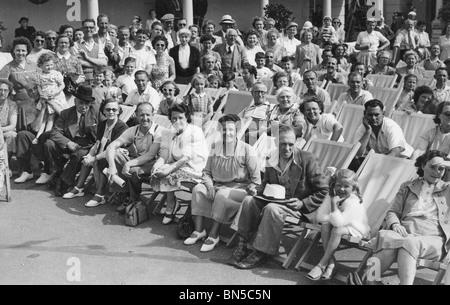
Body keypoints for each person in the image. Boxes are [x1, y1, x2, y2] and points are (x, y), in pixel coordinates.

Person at [227, 125, 329, 269]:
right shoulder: (272, 158)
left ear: (296, 143)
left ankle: (262, 252)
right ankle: (242, 246)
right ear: (276, 143)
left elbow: (324, 189)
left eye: (290, 144)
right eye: (283, 144)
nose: (287, 148)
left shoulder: (307, 159)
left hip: (298, 207)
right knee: (249, 200)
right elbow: (266, 184)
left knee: (271, 209)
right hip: (275, 200)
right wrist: (256, 190)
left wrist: (303, 203)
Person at [362, 150, 450, 285]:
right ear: (422, 165)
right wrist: (395, 224)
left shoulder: (447, 189)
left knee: (408, 243)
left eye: (441, 169)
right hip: (405, 232)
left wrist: (446, 164)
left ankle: (368, 280)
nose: (437, 172)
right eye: (432, 167)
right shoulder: (407, 186)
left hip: (434, 238)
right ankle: (370, 281)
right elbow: (393, 212)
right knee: (389, 240)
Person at [185, 114, 261, 252]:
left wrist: (252, 188)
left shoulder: (247, 150)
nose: (227, 132)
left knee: (222, 195)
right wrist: (209, 186)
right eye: (224, 129)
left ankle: (214, 235)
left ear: (237, 130)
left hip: (239, 189)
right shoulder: (215, 147)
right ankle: (199, 230)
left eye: (231, 129)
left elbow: (256, 180)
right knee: (198, 189)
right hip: (216, 185)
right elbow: (206, 172)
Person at [104, 101, 168, 213]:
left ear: (153, 115)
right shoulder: (133, 130)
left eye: (148, 115)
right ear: (136, 115)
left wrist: (128, 164)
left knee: (133, 170)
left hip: (156, 164)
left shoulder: (160, 131)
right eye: (141, 115)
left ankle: (133, 198)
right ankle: (125, 193)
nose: (145, 118)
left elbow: (150, 155)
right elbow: (111, 146)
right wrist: (112, 166)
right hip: (140, 161)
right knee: (116, 153)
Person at [151, 102, 209, 225]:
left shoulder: (195, 131)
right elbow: (165, 154)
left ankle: (171, 205)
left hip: (195, 168)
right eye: (174, 118)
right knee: (159, 170)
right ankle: (172, 203)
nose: (177, 121)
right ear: (170, 119)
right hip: (178, 165)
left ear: (187, 117)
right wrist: (157, 165)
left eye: (181, 117)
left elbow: (186, 158)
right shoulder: (169, 132)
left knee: (167, 173)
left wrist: (167, 169)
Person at [63, 99, 128, 207]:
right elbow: (97, 143)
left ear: (118, 111)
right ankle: (79, 188)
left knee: (101, 160)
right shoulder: (102, 124)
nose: (111, 112)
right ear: (103, 111)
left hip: (118, 156)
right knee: (87, 157)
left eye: (114, 109)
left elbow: (112, 149)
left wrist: (94, 158)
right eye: (108, 109)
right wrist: (89, 156)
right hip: (104, 152)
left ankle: (100, 195)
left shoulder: (122, 126)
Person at [307, 168, 369, 281]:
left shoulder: (353, 201)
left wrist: (334, 205)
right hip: (338, 224)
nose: (341, 189)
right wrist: (332, 203)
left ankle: (322, 264)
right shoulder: (331, 196)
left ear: (353, 188)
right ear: (334, 184)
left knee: (337, 230)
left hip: (355, 227)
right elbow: (321, 216)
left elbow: (338, 223)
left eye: (346, 186)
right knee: (325, 225)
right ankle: (331, 263)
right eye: (338, 185)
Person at [46, 86, 105, 197]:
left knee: (80, 154)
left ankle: (63, 181)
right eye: (80, 103)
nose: (84, 106)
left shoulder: (96, 112)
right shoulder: (66, 113)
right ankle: (58, 172)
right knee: (49, 144)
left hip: (87, 145)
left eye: (87, 103)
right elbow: (54, 132)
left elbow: (107, 126)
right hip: (70, 141)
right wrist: (68, 142)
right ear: (75, 101)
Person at [353, 99, 413, 163]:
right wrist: (368, 131)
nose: (373, 118)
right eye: (370, 115)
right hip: (381, 160)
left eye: (376, 115)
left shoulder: (391, 126)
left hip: (402, 160)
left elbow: (395, 153)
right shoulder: (363, 128)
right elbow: (357, 154)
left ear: (383, 114)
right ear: (365, 114)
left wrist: (377, 165)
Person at [35, 53, 68, 142]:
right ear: (41, 66)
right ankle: (38, 136)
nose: (49, 67)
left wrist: (54, 93)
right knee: (43, 117)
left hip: (55, 97)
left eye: (51, 65)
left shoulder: (56, 74)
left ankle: (46, 135)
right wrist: (41, 94)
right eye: (47, 65)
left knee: (51, 117)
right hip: (44, 97)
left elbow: (62, 85)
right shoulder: (39, 74)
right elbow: (39, 86)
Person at [71, 19, 108, 86]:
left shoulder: (98, 45)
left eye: (91, 27)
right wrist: (97, 64)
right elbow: (78, 62)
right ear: (82, 29)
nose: (88, 29)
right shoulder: (76, 45)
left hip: (96, 80)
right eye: (86, 27)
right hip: (81, 80)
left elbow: (104, 63)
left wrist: (87, 58)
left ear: (95, 29)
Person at [53, 34, 86, 103]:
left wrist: (74, 82)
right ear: (57, 44)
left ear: (69, 44)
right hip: (55, 92)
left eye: (66, 43)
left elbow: (82, 76)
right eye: (61, 42)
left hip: (71, 93)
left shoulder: (75, 59)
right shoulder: (52, 59)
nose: (63, 44)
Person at [0, 80, 18, 156]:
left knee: (12, 135)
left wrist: (0, 130)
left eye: (5, 90)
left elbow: (13, 125)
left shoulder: (12, 105)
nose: (2, 93)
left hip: (5, 130)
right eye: (0, 90)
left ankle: (7, 161)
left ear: (9, 92)